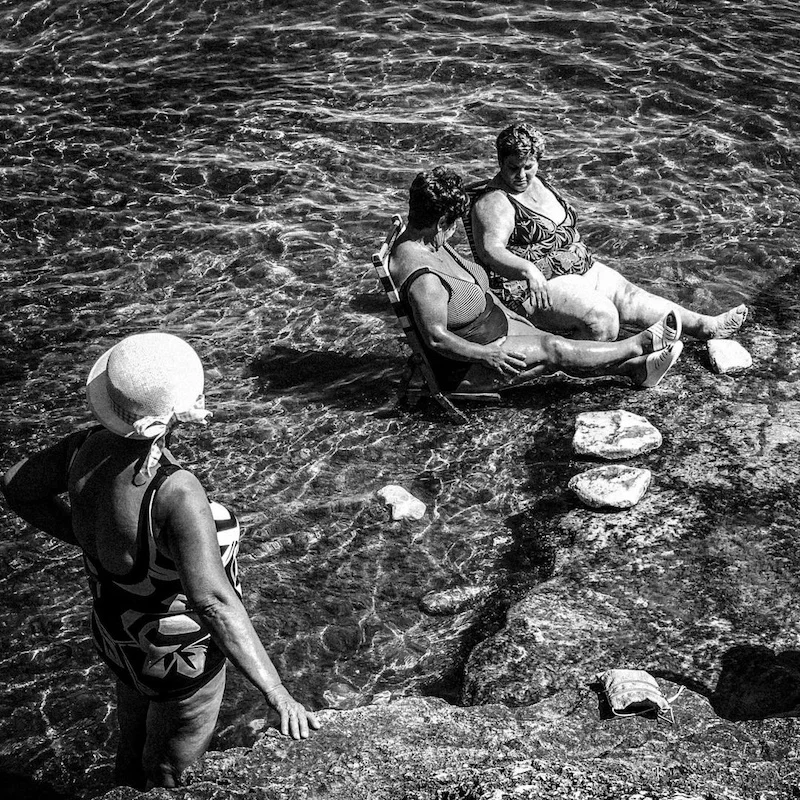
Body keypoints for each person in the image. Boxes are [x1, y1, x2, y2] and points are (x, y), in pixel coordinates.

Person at [1, 332, 320, 790]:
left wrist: (85, 537)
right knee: (172, 772)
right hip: (175, 659)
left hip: (117, 638)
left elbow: (16, 487)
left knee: (131, 747)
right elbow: (213, 602)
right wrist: (277, 693)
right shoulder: (174, 491)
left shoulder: (82, 449)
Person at [390, 167, 684, 393]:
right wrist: (486, 355)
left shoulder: (424, 237)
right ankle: (639, 346)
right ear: (441, 222)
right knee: (553, 350)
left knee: (555, 345)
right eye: (453, 225)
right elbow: (436, 337)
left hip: (490, 329)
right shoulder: (424, 278)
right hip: (467, 365)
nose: (454, 232)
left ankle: (636, 370)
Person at [469, 123, 749, 341]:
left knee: (631, 298)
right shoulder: (494, 201)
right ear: (500, 162)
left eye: (528, 167)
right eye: (513, 168)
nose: (521, 176)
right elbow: (490, 250)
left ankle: (703, 326)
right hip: (535, 288)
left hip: (579, 269)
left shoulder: (538, 182)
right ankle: (584, 358)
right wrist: (528, 270)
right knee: (604, 319)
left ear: (538, 161)